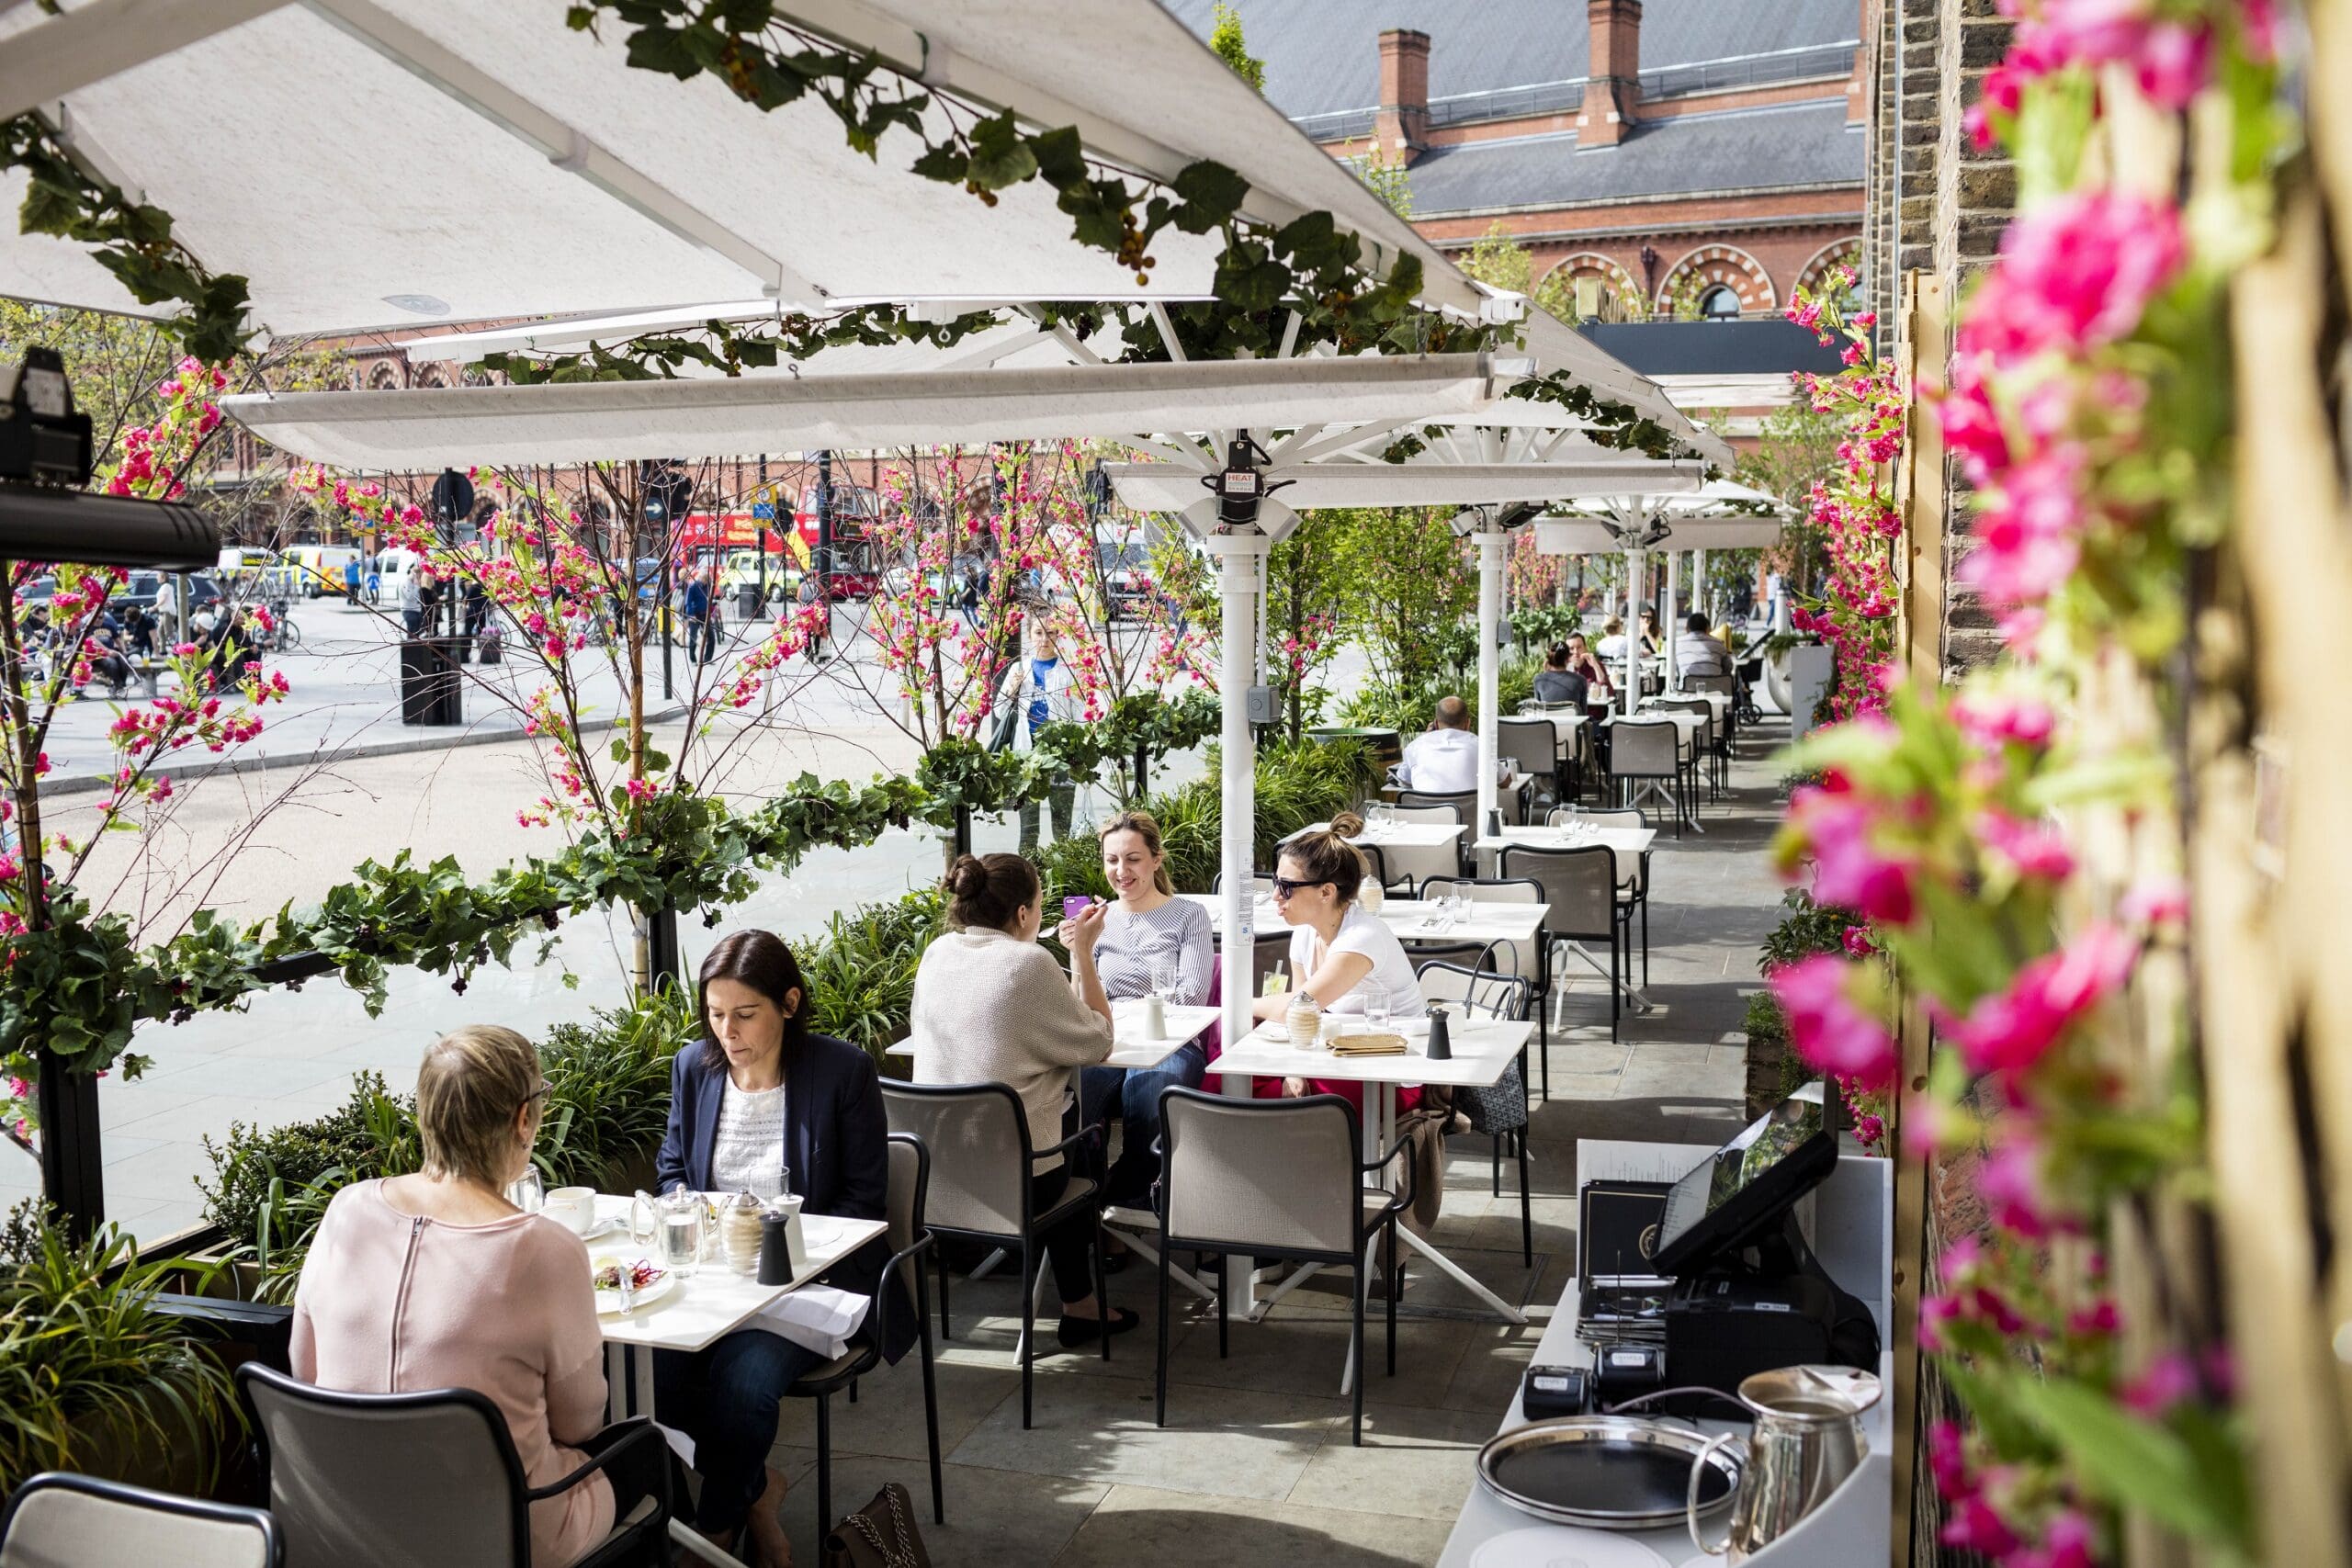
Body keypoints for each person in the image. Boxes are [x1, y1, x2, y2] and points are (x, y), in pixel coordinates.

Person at [291, 1026, 661, 1568]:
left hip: (341, 1521)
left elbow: (305, 1370)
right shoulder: (545, 1249)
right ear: (523, 1120)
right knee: (649, 1453)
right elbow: (581, 1424)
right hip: (499, 1533)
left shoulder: (347, 1210)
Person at [652, 931, 906, 1568]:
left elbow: (864, 1199)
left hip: (813, 1284)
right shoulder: (694, 1067)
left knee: (743, 1383)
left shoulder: (839, 1069)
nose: (726, 1031)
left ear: (789, 1003)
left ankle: (713, 1530)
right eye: (714, 1014)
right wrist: (694, 1218)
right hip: (715, 1281)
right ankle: (756, 1490)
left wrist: (777, 1254)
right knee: (648, 1378)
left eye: (744, 1013)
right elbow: (673, 1170)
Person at [908, 852, 1137, 1347]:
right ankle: (1081, 1303)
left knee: (1058, 1116)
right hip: (1018, 1185)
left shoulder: (937, 953)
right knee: (1080, 1126)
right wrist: (1082, 955)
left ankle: (1047, 1278)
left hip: (934, 1179)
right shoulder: (1028, 962)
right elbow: (1098, 1042)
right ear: (1022, 914)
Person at [1061, 811, 1216, 1213]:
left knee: (1149, 1100)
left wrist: (1125, 1013)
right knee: (1075, 1111)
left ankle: (1122, 1201)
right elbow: (1078, 1004)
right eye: (1112, 860)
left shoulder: (1188, 915)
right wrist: (1078, 953)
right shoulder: (1096, 921)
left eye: (1132, 858)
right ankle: (1085, 1208)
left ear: (1155, 859)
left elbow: (1191, 997)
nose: (1121, 870)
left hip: (1170, 1042)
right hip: (1107, 1044)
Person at [1250, 813, 1427, 1117]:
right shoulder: (1304, 933)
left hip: (1390, 1075)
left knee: (1266, 1092)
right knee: (1232, 1073)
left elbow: (1297, 1007)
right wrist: (1295, 1071)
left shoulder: (1361, 938)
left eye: (1287, 886)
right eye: (1276, 882)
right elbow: (1300, 1021)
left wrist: (1237, 1004)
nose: (1276, 895)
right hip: (1339, 1057)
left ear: (1326, 892)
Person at [994, 621, 1080, 852]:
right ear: (1030, 635)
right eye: (1039, 633)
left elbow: (1080, 716)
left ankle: (1065, 876)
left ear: (1058, 635)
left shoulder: (1069, 672)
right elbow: (999, 711)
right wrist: (1013, 689)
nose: (1044, 639)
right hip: (1026, 756)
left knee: (1062, 825)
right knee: (1028, 827)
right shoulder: (1019, 669)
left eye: (1050, 633)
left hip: (1060, 757)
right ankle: (1028, 877)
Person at [1395, 694, 1505, 795]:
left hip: (1425, 815)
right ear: (1468, 723)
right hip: (1471, 816)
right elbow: (1505, 781)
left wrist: (1426, 736)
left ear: (1436, 724)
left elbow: (1403, 780)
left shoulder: (1416, 746)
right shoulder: (1481, 746)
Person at [1675, 611, 1732, 680]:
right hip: (1716, 688)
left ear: (1687, 629)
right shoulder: (1719, 643)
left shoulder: (1678, 643)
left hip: (1687, 688)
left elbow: (1676, 668)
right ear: (1706, 628)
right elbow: (1728, 667)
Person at [1532, 643, 1589, 707]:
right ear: (1567, 659)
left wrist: (1545, 673)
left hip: (1548, 717)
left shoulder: (1539, 680)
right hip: (1571, 717)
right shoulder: (1580, 680)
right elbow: (1583, 713)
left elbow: (1538, 709)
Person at [681, 568, 713, 666]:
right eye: (705, 579)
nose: (706, 582)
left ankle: (707, 659)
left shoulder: (708, 585)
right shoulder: (693, 586)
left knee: (711, 637)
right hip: (695, 614)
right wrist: (691, 615)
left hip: (705, 614)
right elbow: (688, 602)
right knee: (693, 637)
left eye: (707, 580)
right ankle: (693, 660)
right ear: (701, 578)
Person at [400, 564, 426, 638]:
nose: (420, 578)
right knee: (412, 631)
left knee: (418, 631)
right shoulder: (407, 582)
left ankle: (416, 647)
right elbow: (410, 596)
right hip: (408, 609)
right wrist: (417, 585)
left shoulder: (412, 582)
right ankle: (410, 647)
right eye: (419, 576)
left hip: (416, 609)